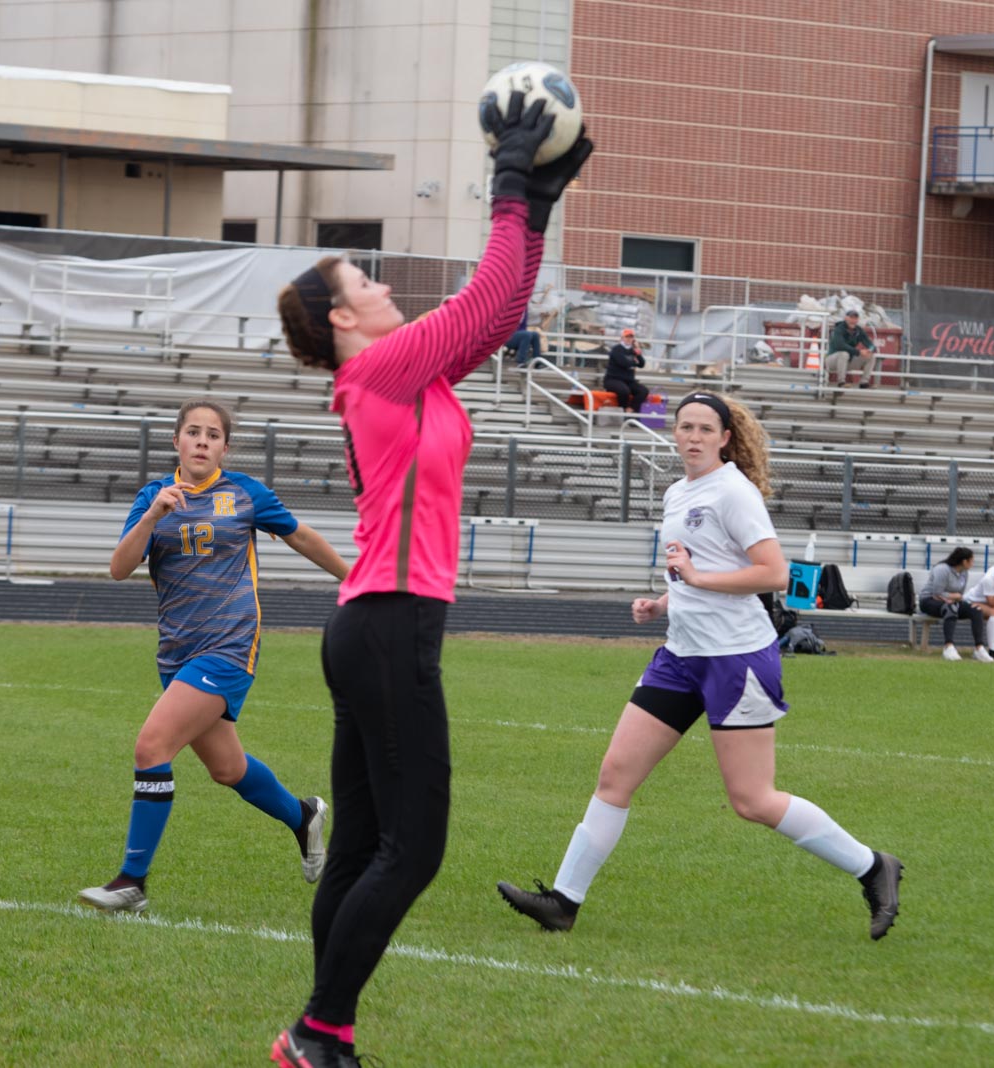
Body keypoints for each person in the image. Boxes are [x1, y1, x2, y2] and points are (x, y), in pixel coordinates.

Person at [264, 93, 592, 1068]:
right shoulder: (382, 372)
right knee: (415, 849)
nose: (382, 285)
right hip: (388, 629)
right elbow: (482, 299)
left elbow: (502, 311)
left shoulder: (415, 375)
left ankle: (326, 1034)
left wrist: (536, 209)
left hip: (370, 628)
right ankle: (316, 1032)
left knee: (365, 848)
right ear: (341, 316)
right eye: (365, 279)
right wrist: (507, 184)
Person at [496, 393, 903, 946]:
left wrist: (696, 579)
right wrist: (663, 602)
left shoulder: (733, 492)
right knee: (615, 775)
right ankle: (563, 902)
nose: (692, 436)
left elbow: (773, 573)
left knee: (752, 800)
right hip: (680, 656)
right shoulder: (677, 492)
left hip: (736, 659)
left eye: (704, 428)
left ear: (725, 437)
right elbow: (698, 569)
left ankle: (873, 866)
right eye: (684, 426)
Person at [79, 399, 351, 915]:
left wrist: (356, 580)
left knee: (151, 746)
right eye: (192, 432)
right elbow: (119, 567)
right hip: (176, 652)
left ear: (225, 447)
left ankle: (131, 882)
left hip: (229, 645)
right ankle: (303, 817)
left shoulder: (245, 493)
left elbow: (300, 535)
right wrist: (154, 514)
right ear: (176, 441)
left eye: (212, 434)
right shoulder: (153, 496)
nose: (202, 441)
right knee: (228, 769)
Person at [918, 547, 994, 662]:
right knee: (951, 608)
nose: (973, 564)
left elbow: (960, 595)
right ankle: (948, 647)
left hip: (951, 601)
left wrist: (954, 598)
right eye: (971, 561)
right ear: (964, 561)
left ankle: (979, 648)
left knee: (976, 610)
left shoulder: (964, 573)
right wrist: (953, 597)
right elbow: (937, 593)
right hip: (929, 600)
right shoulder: (942, 569)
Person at [825, 309, 876, 388]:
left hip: (848, 361)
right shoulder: (838, 329)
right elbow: (840, 345)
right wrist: (859, 352)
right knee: (844, 354)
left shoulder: (859, 330)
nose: (853, 320)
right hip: (831, 361)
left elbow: (871, 345)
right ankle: (841, 382)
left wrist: (870, 350)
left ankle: (864, 382)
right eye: (851, 317)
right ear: (846, 318)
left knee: (871, 356)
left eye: (855, 318)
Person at [604, 327, 650, 411]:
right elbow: (624, 363)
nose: (629, 339)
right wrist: (634, 363)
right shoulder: (616, 349)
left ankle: (630, 409)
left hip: (628, 381)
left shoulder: (633, 350)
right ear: (622, 338)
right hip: (613, 379)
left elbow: (642, 364)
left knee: (643, 391)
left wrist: (638, 352)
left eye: (631, 337)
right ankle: (623, 410)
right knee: (624, 391)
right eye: (627, 337)